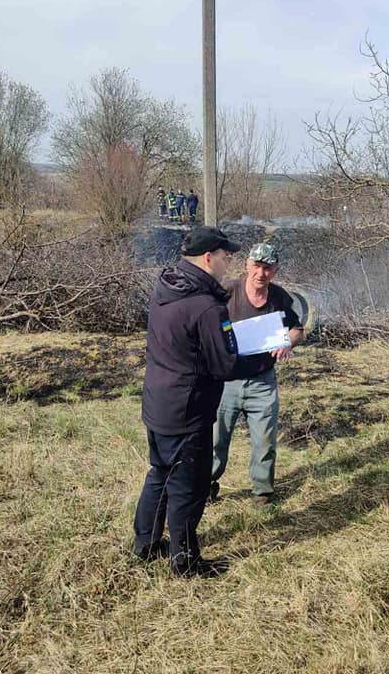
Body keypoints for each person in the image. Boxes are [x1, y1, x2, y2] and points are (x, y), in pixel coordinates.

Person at [133, 226, 242, 577]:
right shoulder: (207, 306)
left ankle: (145, 545)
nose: (229, 264)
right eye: (226, 258)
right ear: (209, 259)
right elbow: (224, 363)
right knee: (189, 487)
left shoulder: (167, 287)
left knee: (160, 474)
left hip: (158, 400)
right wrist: (265, 356)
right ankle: (186, 562)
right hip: (188, 409)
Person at [211, 242, 304, 507]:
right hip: (226, 380)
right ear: (247, 266)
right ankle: (206, 486)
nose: (261, 273)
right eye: (256, 266)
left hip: (263, 382)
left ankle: (262, 492)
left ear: (274, 270)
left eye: (267, 268)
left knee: (265, 440)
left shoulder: (279, 297)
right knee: (216, 438)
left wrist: (287, 341)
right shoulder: (226, 292)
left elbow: (298, 329)